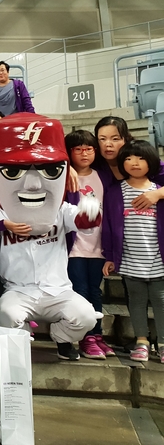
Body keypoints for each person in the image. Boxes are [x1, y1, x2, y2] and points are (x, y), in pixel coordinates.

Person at [0, 113, 100, 362]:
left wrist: (89, 201)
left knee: (85, 316)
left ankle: (61, 337)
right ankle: (20, 350)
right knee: (7, 314)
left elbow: (86, 221)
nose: (32, 184)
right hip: (18, 289)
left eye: (48, 170)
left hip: (59, 290)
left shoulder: (60, 208)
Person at [103, 141, 164, 363]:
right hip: (130, 260)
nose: (134, 163)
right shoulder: (114, 192)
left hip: (158, 259)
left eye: (141, 158)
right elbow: (108, 226)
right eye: (128, 158)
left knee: (161, 300)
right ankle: (142, 341)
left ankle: (163, 343)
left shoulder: (158, 190)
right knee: (136, 302)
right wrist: (110, 256)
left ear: (152, 162)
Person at [64, 130, 113, 359]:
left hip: (98, 247)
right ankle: (84, 337)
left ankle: (97, 334)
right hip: (74, 248)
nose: (84, 153)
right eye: (78, 149)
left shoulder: (103, 176)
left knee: (95, 291)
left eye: (89, 148)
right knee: (80, 291)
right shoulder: (64, 177)